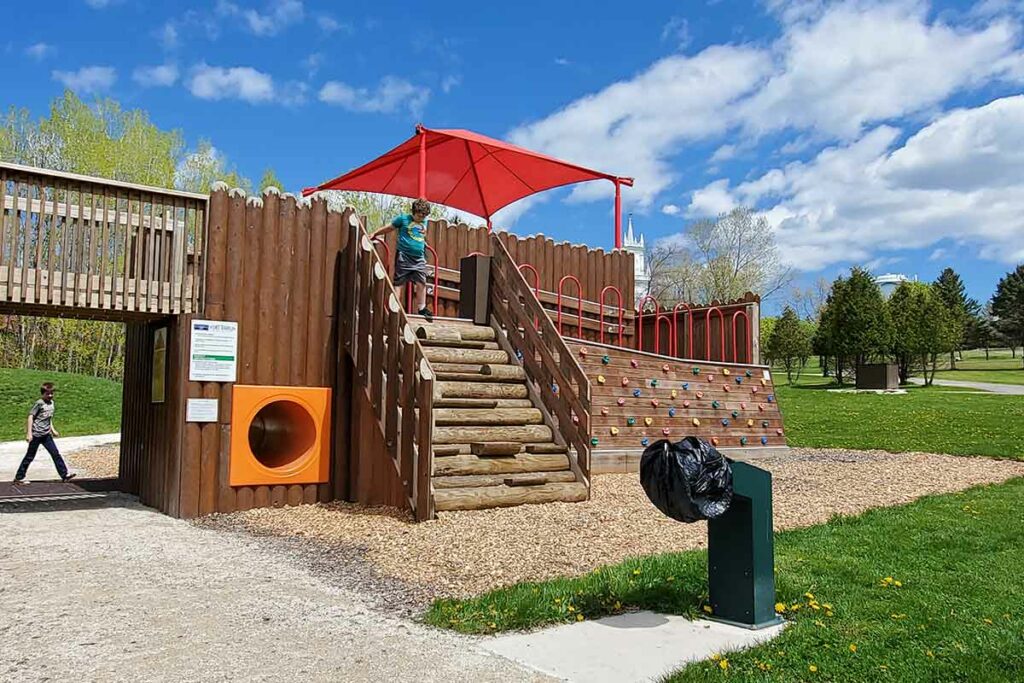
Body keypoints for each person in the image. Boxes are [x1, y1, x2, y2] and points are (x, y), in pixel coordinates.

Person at [375, 198, 433, 322]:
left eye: (424, 216)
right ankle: (395, 306)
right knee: (399, 281)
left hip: (419, 257)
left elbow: (421, 235)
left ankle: (421, 307)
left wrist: (424, 241)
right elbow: (389, 228)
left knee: (422, 281)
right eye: (419, 215)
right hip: (404, 256)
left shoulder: (425, 221)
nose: (422, 218)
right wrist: (375, 233)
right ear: (413, 212)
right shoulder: (403, 219)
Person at [13, 382, 75, 485]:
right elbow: (30, 417)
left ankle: (64, 475)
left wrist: (52, 429)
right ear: (43, 394)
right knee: (30, 456)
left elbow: (48, 418)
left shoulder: (52, 404)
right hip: (36, 435)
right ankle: (19, 478)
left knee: (55, 454)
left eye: (51, 393)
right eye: (48, 394)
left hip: (46, 435)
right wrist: (29, 433)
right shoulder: (39, 403)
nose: (50, 396)